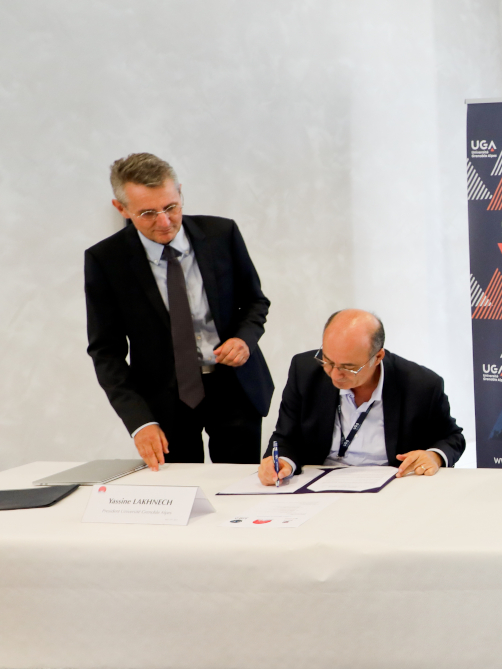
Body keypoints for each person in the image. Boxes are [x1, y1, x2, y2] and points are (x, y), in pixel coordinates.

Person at [85, 153, 273, 469]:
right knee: (180, 498)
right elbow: (107, 352)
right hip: (165, 402)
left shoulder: (221, 235)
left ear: (180, 192)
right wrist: (139, 422)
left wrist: (244, 340)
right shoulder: (106, 261)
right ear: (122, 209)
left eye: (171, 207)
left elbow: (255, 302)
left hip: (234, 389)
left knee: (239, 490)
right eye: (147, 213)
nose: (164, 221)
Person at [258, 309, 464, 482]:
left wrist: (434, 456)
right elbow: (286, 437)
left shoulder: (420, 385)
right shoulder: (304, 371)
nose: (336, 375)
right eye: (328, 361)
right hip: (318, 485)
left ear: (378, 357)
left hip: (391, 486)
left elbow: (452, 438)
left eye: (349, 367)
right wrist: (281, 462)